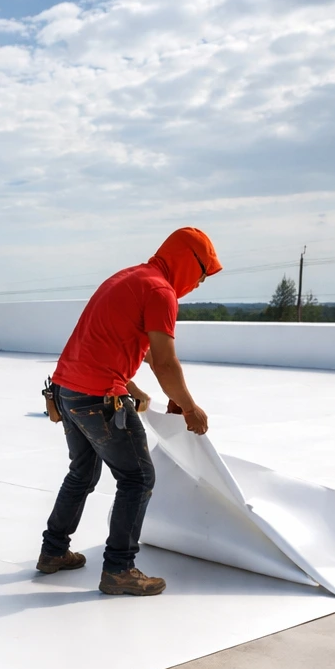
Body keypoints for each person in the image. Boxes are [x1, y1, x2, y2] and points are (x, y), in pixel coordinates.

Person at [38, 227, 220, 596]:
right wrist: (189, 407)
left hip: (67, 390)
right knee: (137, 479)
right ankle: (119, 569)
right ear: (187, 261)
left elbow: (135, 344)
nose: (200, 282)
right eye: (202, 272)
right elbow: (166, 363)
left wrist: (133, 385)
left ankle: (53, 552)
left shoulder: (131, 277)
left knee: (82, 473)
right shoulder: (160, 291)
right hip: (97, 397)